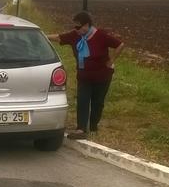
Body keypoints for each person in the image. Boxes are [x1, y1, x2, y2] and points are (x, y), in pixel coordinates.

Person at [47, 11, 124, 139]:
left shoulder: (100, 35)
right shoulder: (74, 36)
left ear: (87, 25)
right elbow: (59, 37)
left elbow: (120, 45)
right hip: (84, 77)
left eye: (78, 26)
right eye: (74, 26)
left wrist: (111, 60)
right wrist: (42, 36)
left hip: (102, 76)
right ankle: (81, 129)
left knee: (97, 102)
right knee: (82, 100)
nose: (76, 29)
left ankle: (93, 127)